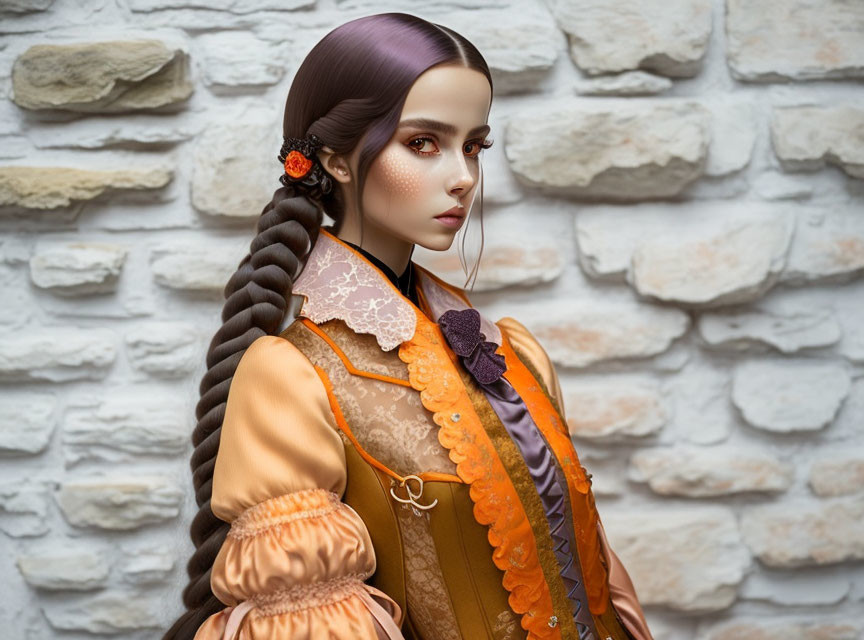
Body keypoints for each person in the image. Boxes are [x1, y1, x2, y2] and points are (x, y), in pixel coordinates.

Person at [165, 12, 654, 640]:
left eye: (474, 145)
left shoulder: (511, 351)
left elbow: (592, 574)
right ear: (337, 159)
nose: (463, 177)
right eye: (424, 143)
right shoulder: (292, 374)